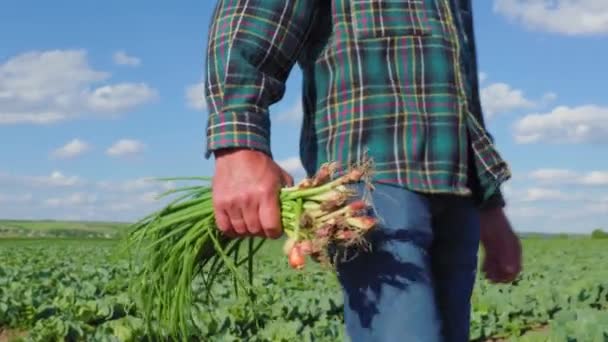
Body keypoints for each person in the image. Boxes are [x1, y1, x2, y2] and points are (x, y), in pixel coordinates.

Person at [203, 0, 522, 341]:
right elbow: (255, 14)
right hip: (370, 184)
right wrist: (240, 145)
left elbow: (463, 91)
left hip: (458, 188)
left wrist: (489, 203)